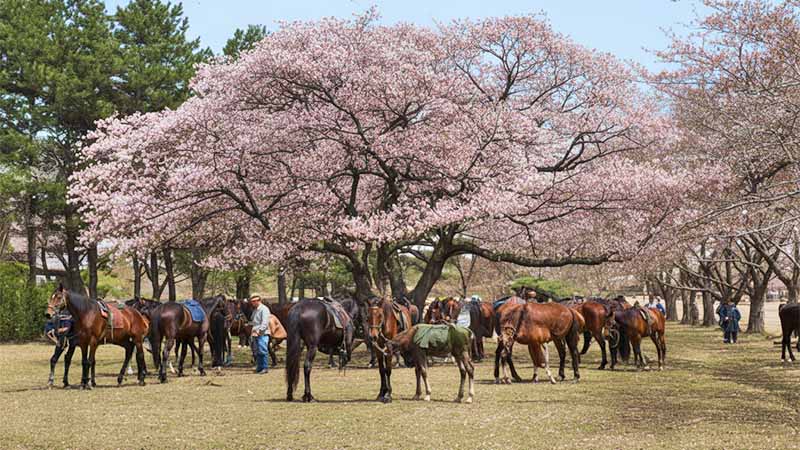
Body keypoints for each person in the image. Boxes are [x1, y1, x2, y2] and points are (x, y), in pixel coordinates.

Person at [249, 294, 271, 374]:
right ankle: (259, 367)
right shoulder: (255, 310)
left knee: (263, 350)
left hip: (262, 333)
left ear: (258, 301)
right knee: (258, 351)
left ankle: (265, 368)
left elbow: (265, 322)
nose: (252, 303)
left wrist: (259, 331)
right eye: (252, 301)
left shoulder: (264, 309)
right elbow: (254, 321)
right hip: (255, 333)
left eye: (254, 301)